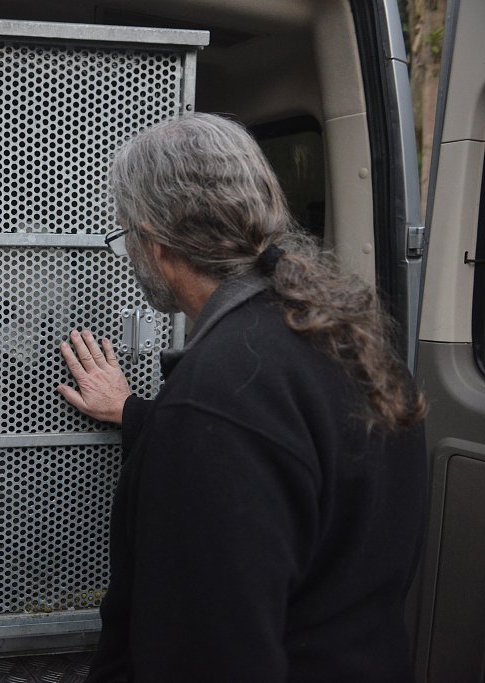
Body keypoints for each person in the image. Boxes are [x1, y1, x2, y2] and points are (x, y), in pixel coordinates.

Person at [57, 113, 427, 682]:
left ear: (155, 241)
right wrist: (135, 413)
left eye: (126, 235)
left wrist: (180, 418)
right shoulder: (350, 339)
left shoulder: (217, 394)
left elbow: (209, 653)